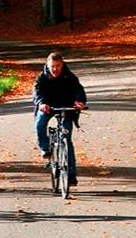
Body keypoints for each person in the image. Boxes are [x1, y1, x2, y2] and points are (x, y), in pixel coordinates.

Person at [32, 51, 86, 186]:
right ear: (47, 65)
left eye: (58, 66)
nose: (55, 69)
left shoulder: (70, 76)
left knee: (66, 139)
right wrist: (41, 104)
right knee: (40, 123)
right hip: (48, 106)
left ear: (62, 65)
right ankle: (45, 148)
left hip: (65, 107)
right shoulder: (41, 78)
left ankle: (71, 174)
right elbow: (37, 93)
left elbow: (79, 91)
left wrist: (79, 101)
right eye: (52, 66)